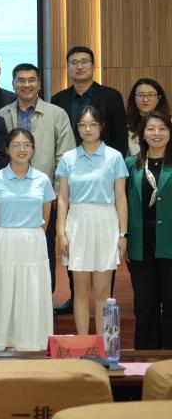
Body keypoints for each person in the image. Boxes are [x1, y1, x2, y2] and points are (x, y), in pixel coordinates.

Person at [0, 63, 76, 296]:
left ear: (39, 84)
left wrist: (57, 191)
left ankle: (42, 301)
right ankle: (13, 301)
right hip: (9, 196)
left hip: (43, 196)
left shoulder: (56, 114)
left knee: (43, 249)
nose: (26, 84)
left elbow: (65, 155)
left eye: (31, 80)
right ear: (13, 84)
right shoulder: (2, 115)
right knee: (9, 251)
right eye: (20, 80)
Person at [55, 106, 129, 335]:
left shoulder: (114, 157)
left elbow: (120, 197)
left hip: (106, 221)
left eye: (93, 124)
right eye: (83, 125)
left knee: (102, 291)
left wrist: (123, 233)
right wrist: (60, 231)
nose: (87, 129)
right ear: (77, 128)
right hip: (77, 222)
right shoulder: (68, 158)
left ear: (101, 127)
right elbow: (63, 198)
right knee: (80, 290)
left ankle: (103, 345)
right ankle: (83, 343)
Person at [0, 128, 55, 352]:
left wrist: (32, 235)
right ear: (7, 149)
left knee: (31, 291)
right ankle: (1, 339)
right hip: (4, 241)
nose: (21, 149)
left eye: (26, 145)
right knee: (3, 290)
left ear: (33, 149)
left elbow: (46, 216)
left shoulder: (42, 180)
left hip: (33, 241)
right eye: (16, 145)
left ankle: (31, 341)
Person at [125, 111, 172, 349]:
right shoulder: (130, 165)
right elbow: (121, 203)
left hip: (169, 243)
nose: (157, 133)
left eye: (162, 128)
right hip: (141, 244)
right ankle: (144, 358)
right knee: (144, 305)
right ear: (142, 134)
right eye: (151, 129)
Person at [51, 46, 129, 155]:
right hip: (68, 161)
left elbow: (120, 137)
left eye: (84, 62)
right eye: (74, 62)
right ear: (68, 67)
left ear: (93, 66)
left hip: (103, 161)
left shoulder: (111, 96)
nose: (79, 66)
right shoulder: (58, 99)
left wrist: (113, 162)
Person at [126, 79, 169, 156]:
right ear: (134, 98)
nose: (145, 99)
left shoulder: (169, 122)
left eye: (150, 95)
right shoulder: (126, 125)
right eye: (141, 95)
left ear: (159, 98)